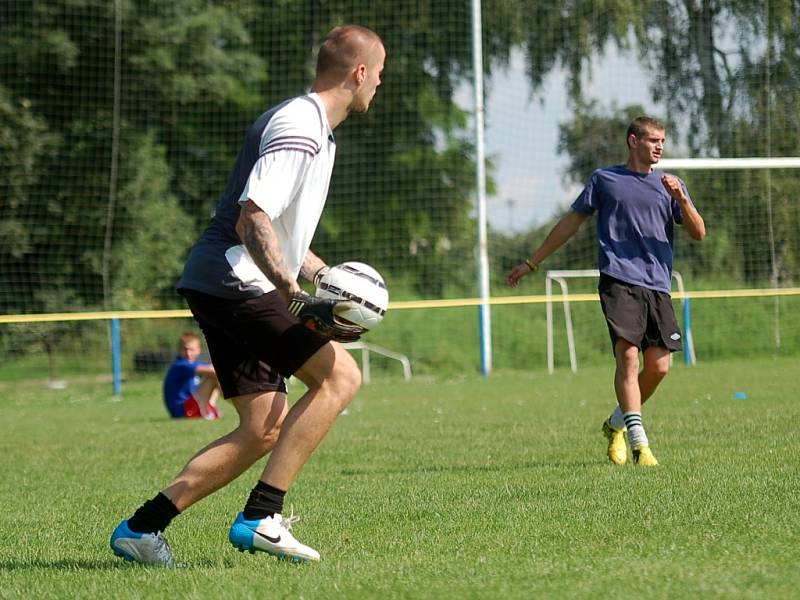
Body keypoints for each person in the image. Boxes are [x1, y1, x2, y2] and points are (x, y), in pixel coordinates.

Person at [110, 24, 386, 566]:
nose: (379, 84)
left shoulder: (316, 130)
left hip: (221, 279)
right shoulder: (299, 126)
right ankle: (262, 517)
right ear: (358, 73)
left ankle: (140, 530)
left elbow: (276, 230)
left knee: (263, 428)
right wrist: (293, 294)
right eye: (378, 74)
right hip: (236, 280)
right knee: (341, 377)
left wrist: (324, 279)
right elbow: (252, 215)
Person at [507, 116, 705, 467]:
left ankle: (616, 424)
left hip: (657, 284)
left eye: (663, 140)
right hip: (618, 280)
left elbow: (698, 232)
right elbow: (570, 222)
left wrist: (682, 200)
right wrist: (532, 262)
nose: (660, 146)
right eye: (652, 140)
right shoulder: (606, 180)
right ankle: (641, 444)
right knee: (628, 357)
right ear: (633, 141)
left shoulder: (670, 184)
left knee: (659, 367)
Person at [163, 332, 222, 420]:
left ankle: (210, 410)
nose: (188, 353)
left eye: (191, 349)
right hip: (184, 410)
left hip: (191, 406)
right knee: (213, 378)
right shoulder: (180, 365)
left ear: (199, 350)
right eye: (184, 349)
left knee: (216, 377)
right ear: (179, 350)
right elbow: (212, 371)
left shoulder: (194, 364)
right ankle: (239, 402)